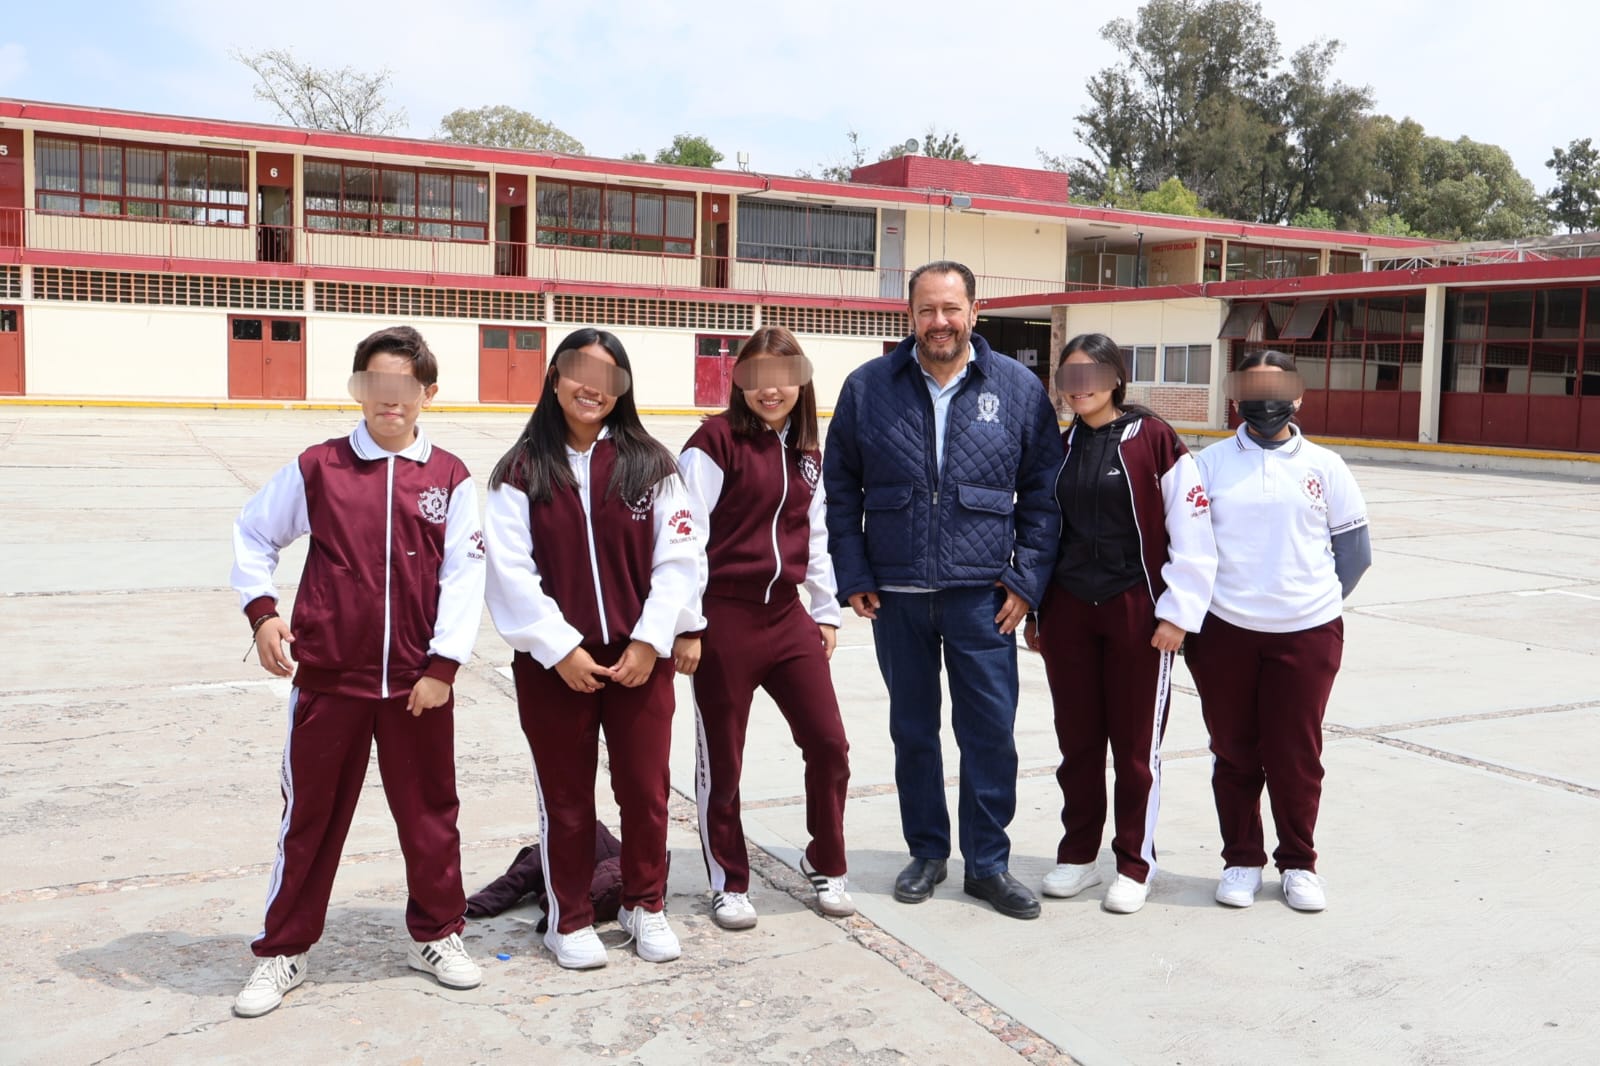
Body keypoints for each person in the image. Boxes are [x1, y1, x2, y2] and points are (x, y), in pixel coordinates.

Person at [229, 325, 485, 1018]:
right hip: (329, 681)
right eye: (375, 383)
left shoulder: (450, 477)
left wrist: (443, 666)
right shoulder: (321, 467)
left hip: (416, 686)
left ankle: (437, 935)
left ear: (428, 393)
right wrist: (262, 612)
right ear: (359, 390)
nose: (389, 398)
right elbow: (254, 531)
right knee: (309, 819)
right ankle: (284, 949)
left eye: (404, 385)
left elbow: (465, 577)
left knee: (430, 818)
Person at [824, 260, 1062, 920]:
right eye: (927, 309)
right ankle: (927, 853)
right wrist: (854, 573)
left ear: (974, 312)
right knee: (914, 731)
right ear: (910, 315)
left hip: (982, 596)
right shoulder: (869, 387)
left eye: (951, 308)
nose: (939, 322)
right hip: (895, 594)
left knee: (989, 733)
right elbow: (840, 489)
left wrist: (1026, 580)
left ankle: (987, 864)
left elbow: (1044, 494)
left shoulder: (1015, 388)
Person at [483, 328, 703, 970]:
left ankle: (645, 904)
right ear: (554, 378)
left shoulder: (652, 465)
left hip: (641, 662)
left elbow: (679, 560)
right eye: (578, 371)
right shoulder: (519, 471)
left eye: (607, 377)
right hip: (555, 669)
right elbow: (510, 572)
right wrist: (560, 649)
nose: (591, 387)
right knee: (567, 797)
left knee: (646, 791)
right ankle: (570, 918)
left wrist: (650, 640)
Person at [1022, 334, 1216, 914]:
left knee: (1135, 751)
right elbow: (1041, 532)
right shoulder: (1057, 448)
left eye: (1091, 374)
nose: (1079, 387)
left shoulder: (1153, 439)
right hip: (1069, 613)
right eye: (1069, 376)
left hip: (1138, 612)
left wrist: (1178, 612)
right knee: (1077, 744)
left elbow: (1192, 530)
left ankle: (1135, 863)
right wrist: (1038, 610)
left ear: (1115, 378)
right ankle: (1079, 856)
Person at [677, 326, 853, 930]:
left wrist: (825, 610)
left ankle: (825, 860)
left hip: (786, 615)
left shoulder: (806, 452)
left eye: (782, 377)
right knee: (723, 758)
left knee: (829, 744)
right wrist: (689, 624)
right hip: (723, 617)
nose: (770, 390)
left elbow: (815, 532)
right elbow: (686, 539)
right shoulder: (713, 443)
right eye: (756, 378)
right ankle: (728, 880)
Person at [1188, 349, 1371, 912]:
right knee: (1234, 752)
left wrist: (1307, 603)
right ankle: (1241, 860)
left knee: (1296, 755)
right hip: (1224, 632)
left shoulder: (1325, 466)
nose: (1264, 402)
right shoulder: (1208, 465)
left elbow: (1355, 554)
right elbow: (1186, 546)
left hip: (1306, 634)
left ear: (1298, 395)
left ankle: (1299, 863)